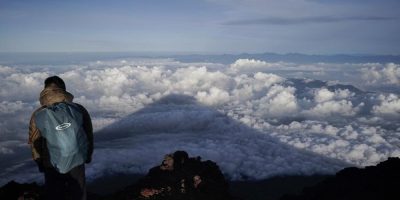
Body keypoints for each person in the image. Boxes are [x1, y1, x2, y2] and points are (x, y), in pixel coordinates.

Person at [28, 76, 93, 200]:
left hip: (51, 162)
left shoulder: (39, 114)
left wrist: (40, 162)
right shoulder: (78, 109)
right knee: (78, 193)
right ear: (63, 89)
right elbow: (88, 133)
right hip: (77, 158)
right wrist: (88, 155)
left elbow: (35, 140)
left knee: (55, 194)